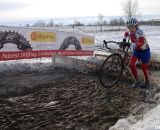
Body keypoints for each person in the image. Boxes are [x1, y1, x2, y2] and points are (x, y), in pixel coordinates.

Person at [123, 17, 151, 88]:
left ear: (136, 26)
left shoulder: (140, 32)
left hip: (145, 51)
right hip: (137, 51)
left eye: (132, 27)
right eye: (129, 27)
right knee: (132, 65)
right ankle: (137, 81)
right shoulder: (130, 30)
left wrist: (134, 44)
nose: (130, 29)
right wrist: (124, 41)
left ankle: (147, 81)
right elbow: (126, 33)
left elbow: (140, 42)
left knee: (144, 68)